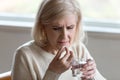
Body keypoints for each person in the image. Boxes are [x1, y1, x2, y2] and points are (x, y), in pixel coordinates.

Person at [11, 0, 106, 80]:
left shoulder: (78, 48)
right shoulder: (25, 55)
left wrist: (92, 76)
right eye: (56, 28)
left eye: (70, 27)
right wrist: (53, 72)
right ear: (43, 27)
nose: (64, 36)